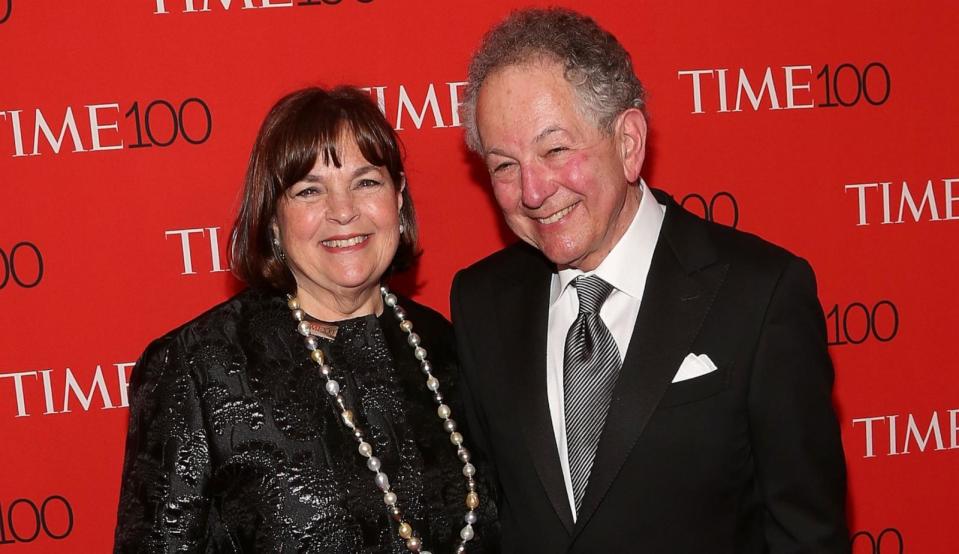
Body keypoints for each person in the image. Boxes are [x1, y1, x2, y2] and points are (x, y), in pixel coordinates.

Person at [451, 8, 849, 553]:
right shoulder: (481, 303)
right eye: (504, 165)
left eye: (555, 150)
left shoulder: (761, 295)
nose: (533, 191)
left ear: (629, 142)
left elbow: (808, 536)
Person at [114, 86, 496, 553]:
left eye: (366, 181)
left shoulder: (445, 344)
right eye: (310, 190)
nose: (343, 211)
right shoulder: (198, 367)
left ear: (398, 198)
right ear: (273, 220)